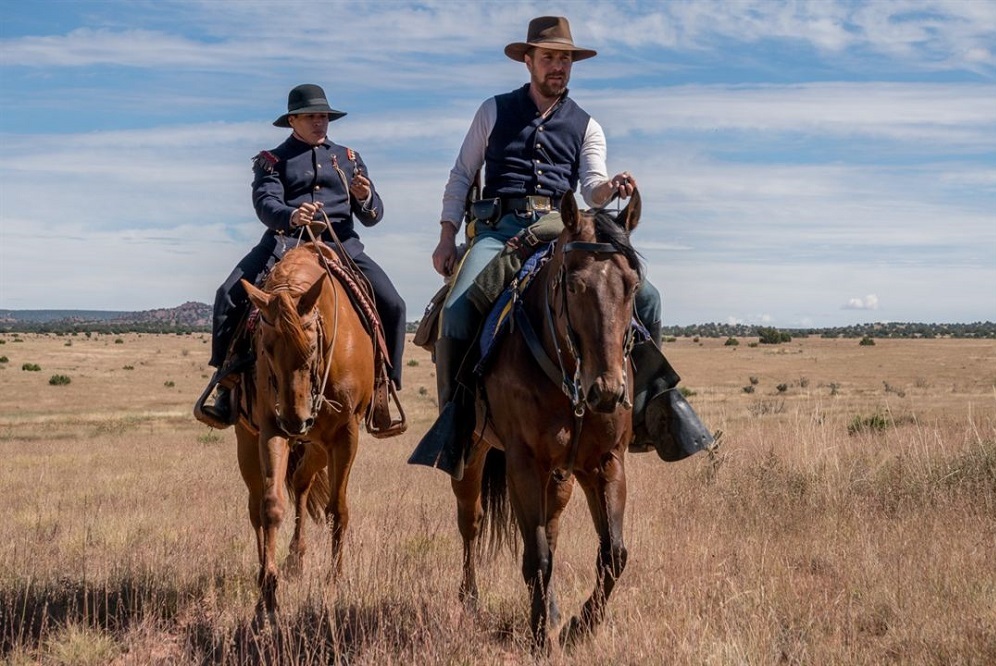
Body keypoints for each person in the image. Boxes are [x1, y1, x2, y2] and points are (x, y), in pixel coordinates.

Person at [410, 17, 713, 477]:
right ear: (528, 61)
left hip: (563, 228)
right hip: (498, 231)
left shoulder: (587, 125)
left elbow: (591, 187)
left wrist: (610, 187)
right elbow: (460, 176)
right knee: (455, 310)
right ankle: (456, 425)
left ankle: (649, 410)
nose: (558, 67)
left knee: (647, 295)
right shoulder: (493, 111)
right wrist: (447, 234)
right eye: (549, 58)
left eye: (565, 59)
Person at [195, 84, 406, 428]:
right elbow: (265, 203)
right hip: (284, 244)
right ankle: (226, 381)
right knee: (228, 294)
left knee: (394, 303)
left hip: (341, 246)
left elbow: (372, 215)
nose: (320, 122)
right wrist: (291, 215)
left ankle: (385, 388)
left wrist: (366, 197)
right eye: (311, 116)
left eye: (324, 116)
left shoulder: (349, 158)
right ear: (292, 120)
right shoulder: (273, 161)